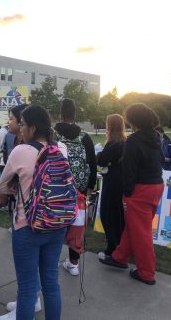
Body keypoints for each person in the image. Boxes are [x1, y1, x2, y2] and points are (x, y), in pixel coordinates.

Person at [0, 104, 67, 320]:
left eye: (23, 125)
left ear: (33, 128)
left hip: (27, 226)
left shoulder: (21, 151)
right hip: (56, 223)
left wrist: (17, 187)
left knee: (27, 290)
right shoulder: (61, 149)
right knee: (51, 284)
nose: (21, 129)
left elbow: (1, 186)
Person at [99, 103, 164, 285]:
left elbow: (129, 171)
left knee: (142, 232)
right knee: (134, 226)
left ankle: (146, 272)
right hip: (156, 186)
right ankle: (119, 257)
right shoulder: (156, 137)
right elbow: (162, 160)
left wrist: (126, 193)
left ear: (134, 120)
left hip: (140, 190)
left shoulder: (134, 140)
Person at [54, 98, 97, 276]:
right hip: (78, 188)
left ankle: (52, 258)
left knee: (56, 224)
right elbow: (92, 162)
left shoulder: (53, 135)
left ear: (61, 113)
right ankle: (73, 263)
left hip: (56, 187)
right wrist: (90, 186)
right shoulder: (84, 136)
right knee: (76, 225)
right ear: (75, 114)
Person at [97, 114, 126, 259]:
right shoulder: (124, 141)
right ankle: (118, 245)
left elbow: (102, 160)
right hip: (120, 181)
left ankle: (112, 248)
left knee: (108, 214)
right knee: (118, 215)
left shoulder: (114, 142)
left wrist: (98, 154)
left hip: (112, 183)